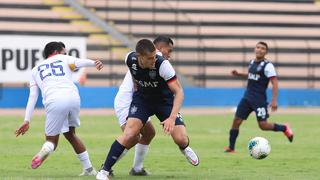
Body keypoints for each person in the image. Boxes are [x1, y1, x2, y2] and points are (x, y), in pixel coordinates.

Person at [96, 39, 199, 180]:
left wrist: (172, 118)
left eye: (155, 56)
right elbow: (134, 74)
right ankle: (104, 172)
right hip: (143, 100)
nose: (153, 60)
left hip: (164, 102)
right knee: (130, 134)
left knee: (180, 138)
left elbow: (179, 92)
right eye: (150, 58)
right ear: (139, 56)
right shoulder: (129, 59)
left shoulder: (162, 64)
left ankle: (185, 148)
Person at [15, 41, 103, 176]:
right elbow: (79, 62)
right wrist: (94, 63)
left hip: (54, 100)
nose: (66, 54)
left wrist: (27, 120)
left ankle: (43, 152)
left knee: (51, 141)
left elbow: (32, 96)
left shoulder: (34, 70)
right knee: (70, 134)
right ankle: (89, 169)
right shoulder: (63, 58)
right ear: (56, 52)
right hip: (73, 98)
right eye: (64, 52)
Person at [224, 41, 294, 153]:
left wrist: (274, 100)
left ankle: (284, 128)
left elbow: (274, 82)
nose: (260, 49)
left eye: (263, 48)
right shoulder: (252, 62)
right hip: (247, 98)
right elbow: (251, 75)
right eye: (258, 47)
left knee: (263, 125)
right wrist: (239, 74)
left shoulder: (268, 65)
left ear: (266, 52)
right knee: (236, 121)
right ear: (255, 49)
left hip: (259, 100)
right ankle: (231, 148)